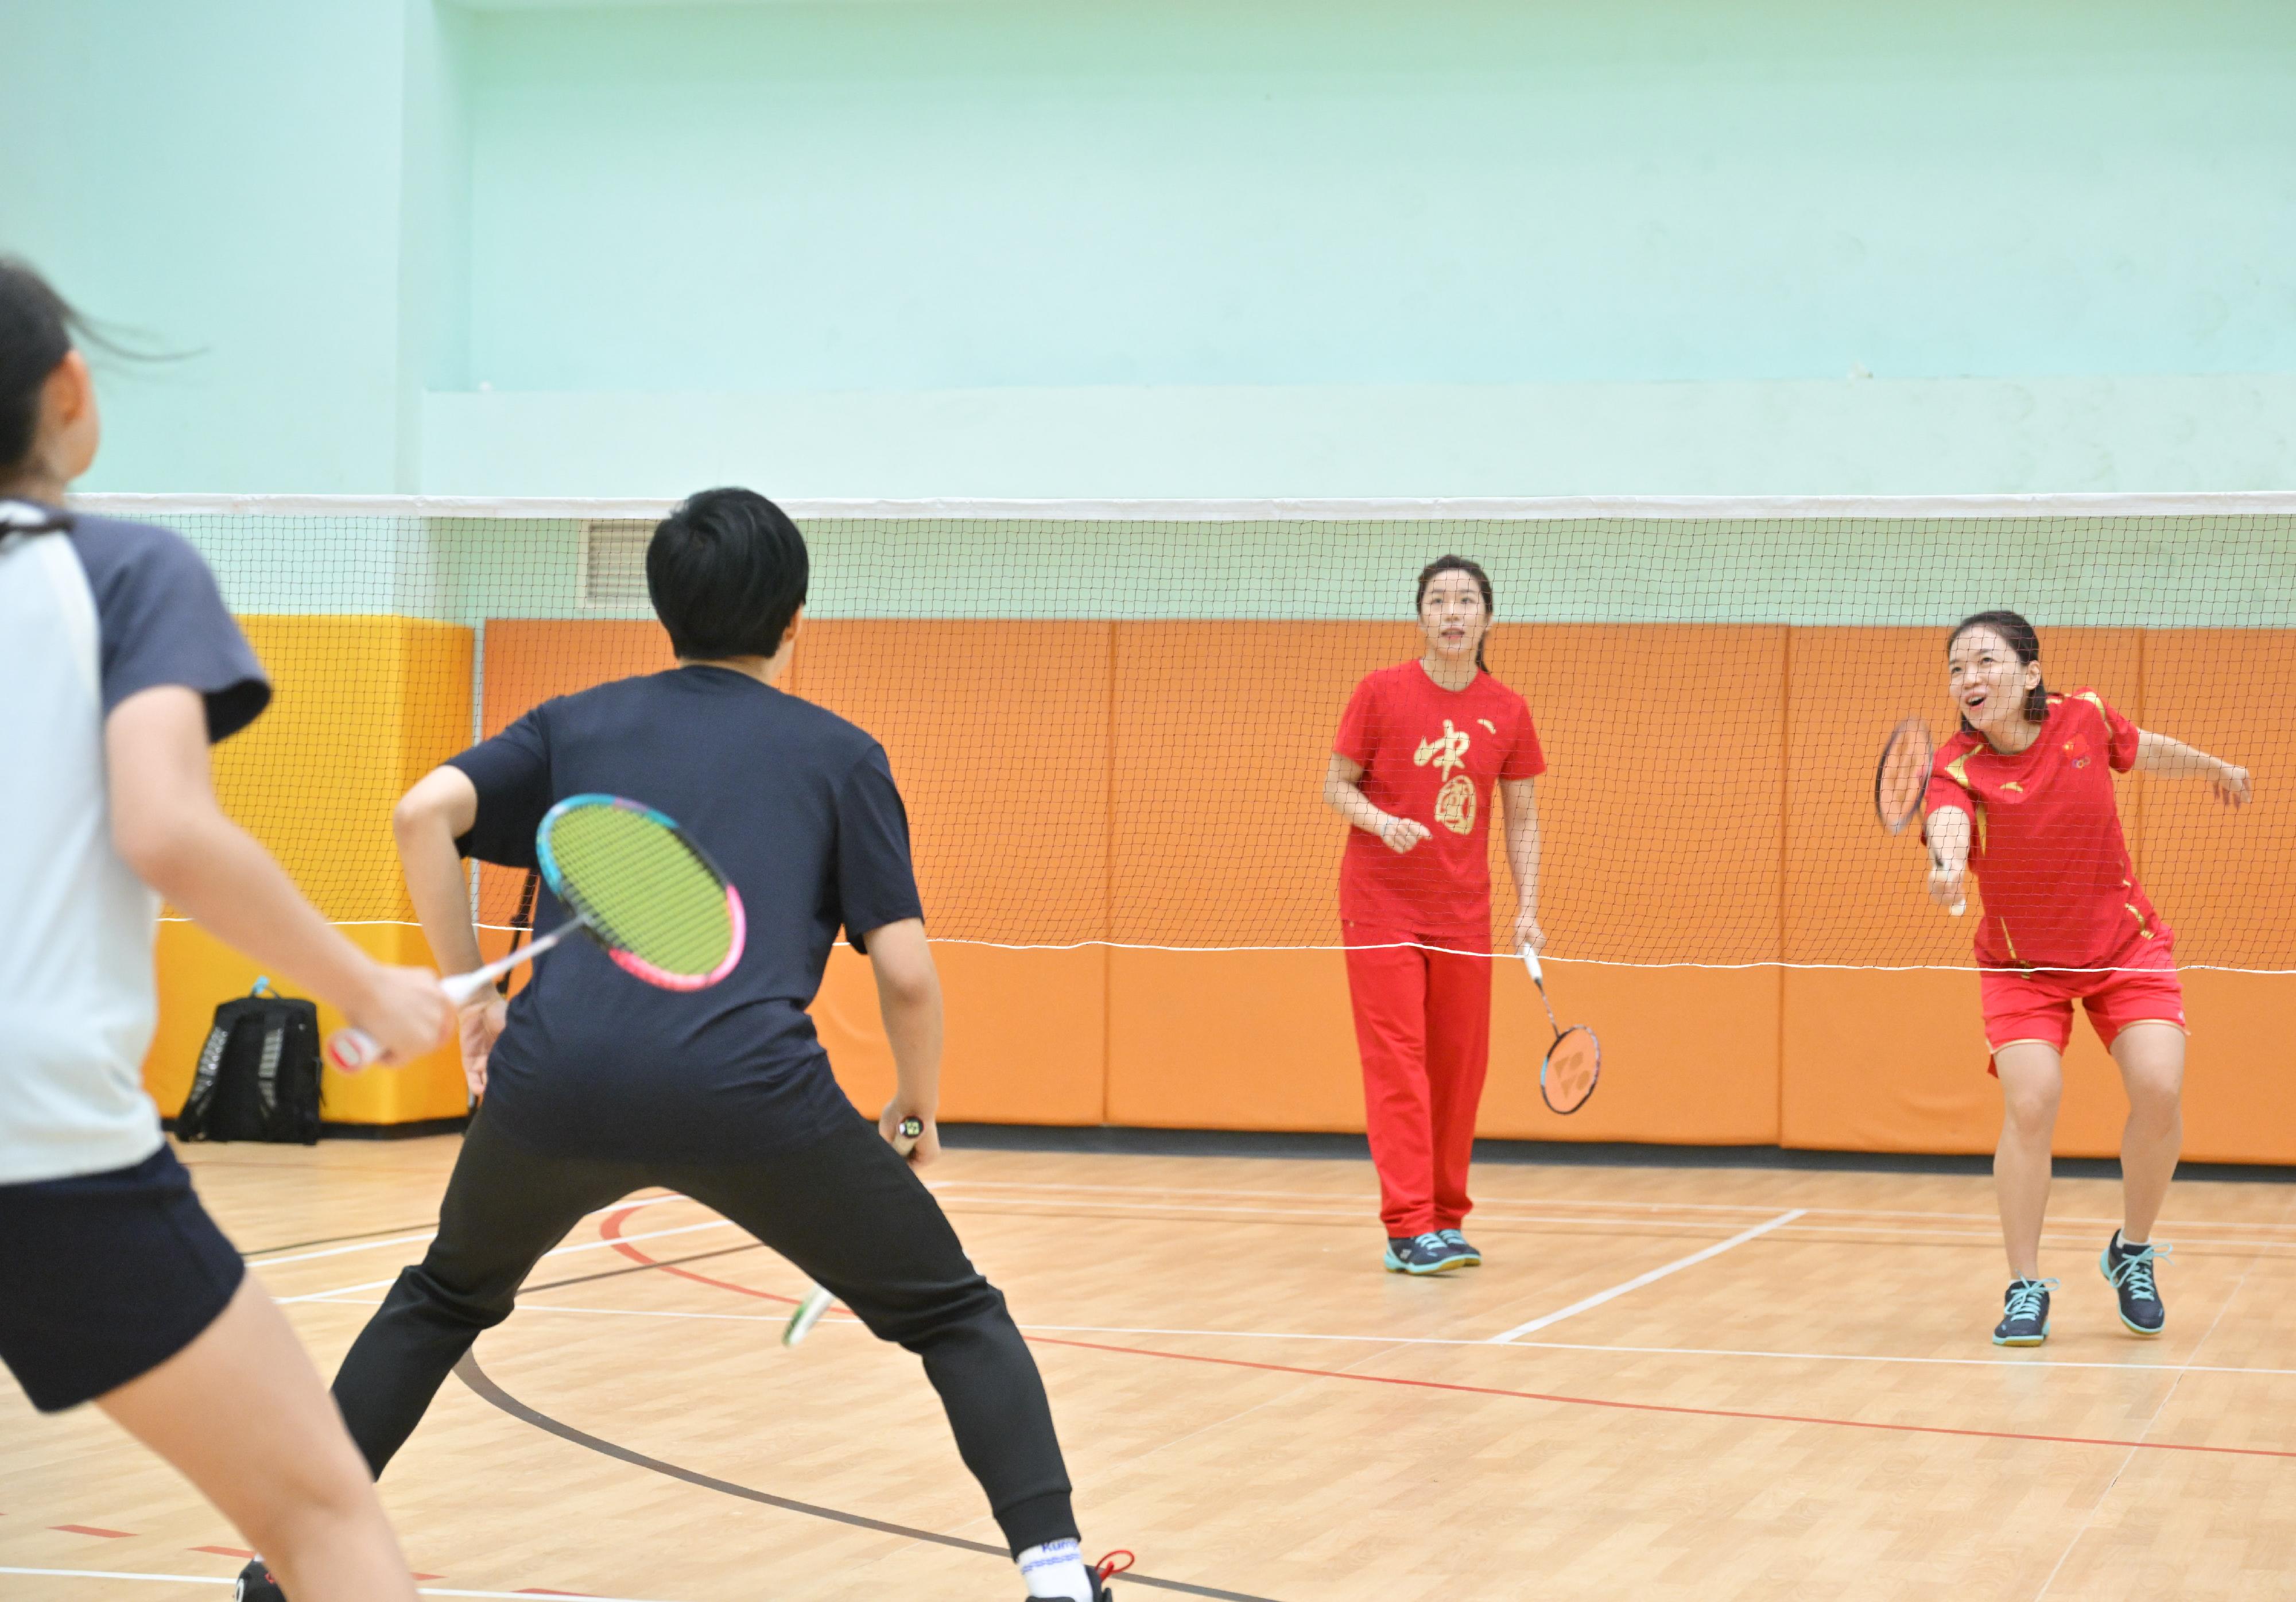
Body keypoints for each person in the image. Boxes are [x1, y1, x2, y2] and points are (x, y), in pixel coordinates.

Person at [241, 487, 1120, 1602]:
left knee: (443, 1300)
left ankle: (281, 1568)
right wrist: (914, 1100)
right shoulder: (839, 754)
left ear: (665, 609)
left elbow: (424, 813)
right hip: (747, 1090)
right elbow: (902, 971)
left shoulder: (576, 723)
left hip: (552, 1081)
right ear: (795, 616)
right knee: (953, 1315)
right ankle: (1053, 1577)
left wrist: (475, 998)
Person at [0, 258, 453, 1601]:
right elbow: (167, 827)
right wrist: (368, 981)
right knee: (323, 1516)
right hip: (41, 1145)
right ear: (71, 396)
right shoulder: (124, 573)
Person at [1923, 610, 2250, 1347]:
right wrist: (1947, 867)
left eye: (1984, 662)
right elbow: (1948, 825)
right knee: (2031, 1103)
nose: (1967, 679)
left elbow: (2143, 749)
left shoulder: (2086, 716)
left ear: (2030, 673)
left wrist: (2213, 767)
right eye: (1955, 668)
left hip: (2122, 950)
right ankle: (2024, 1283)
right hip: (2020, 966)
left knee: (2160, 1088)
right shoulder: (1954, 765)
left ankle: (2130, 1250)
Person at [1322, 556, 1545, 1275]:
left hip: (1464, 915)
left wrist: (1529, 908)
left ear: (1488, 617)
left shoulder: (1507, 709)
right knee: (1398, 1064)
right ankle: (1407, 1225)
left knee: (1458, 1069)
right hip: (1379, 904)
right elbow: (1335, 787)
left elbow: (1521, 820)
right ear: (1420, 614)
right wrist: (1380, 821)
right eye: (1439, 600)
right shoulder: (1380, 693)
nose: (1453, 612)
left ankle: (1446, 1218)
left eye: (1467, 600)